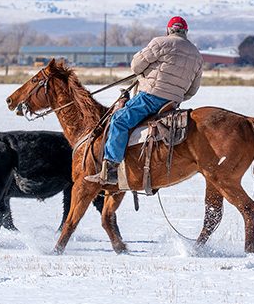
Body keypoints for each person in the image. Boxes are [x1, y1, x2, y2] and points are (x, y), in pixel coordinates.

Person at [86, 16, 203, 185]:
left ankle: (110, 170)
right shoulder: (196, 54)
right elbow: (192, 90)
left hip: (150, 97)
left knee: (119, 121)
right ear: (185, 31)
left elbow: (136, 65)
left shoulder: (160, 42)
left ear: (168, 29)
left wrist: (147, 76)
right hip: (172, 103)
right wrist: (175, 95)